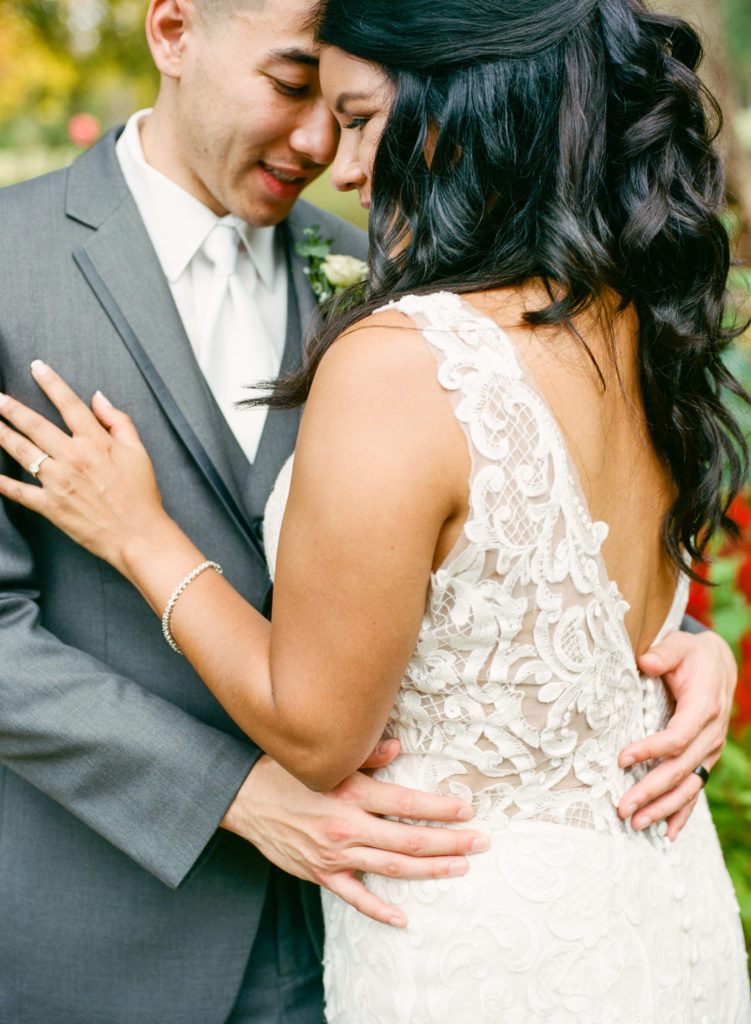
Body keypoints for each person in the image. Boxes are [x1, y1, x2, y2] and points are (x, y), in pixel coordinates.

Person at [0, 0, 742, 1021]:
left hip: (416, 936)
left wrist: (678, 644)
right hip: (123, 938)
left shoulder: (395, 277)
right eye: (292, 85)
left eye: (350, 109)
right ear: (171, 30)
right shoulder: (9, 263)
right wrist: (234, 792)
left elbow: (514, 530)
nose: (319, 147)